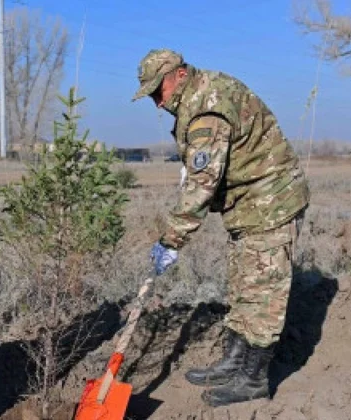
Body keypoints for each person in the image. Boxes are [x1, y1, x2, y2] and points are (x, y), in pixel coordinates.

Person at [133, 49, 310, 407]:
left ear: (178, 74)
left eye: (158, 92)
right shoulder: (198, 94)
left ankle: (254, 379)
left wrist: (172, 239)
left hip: (271, 204)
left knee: (262, 294)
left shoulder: (206, 110)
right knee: (243, 284)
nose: (157, 103)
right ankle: (233, 363)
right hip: (248, 207)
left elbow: (202, 184)